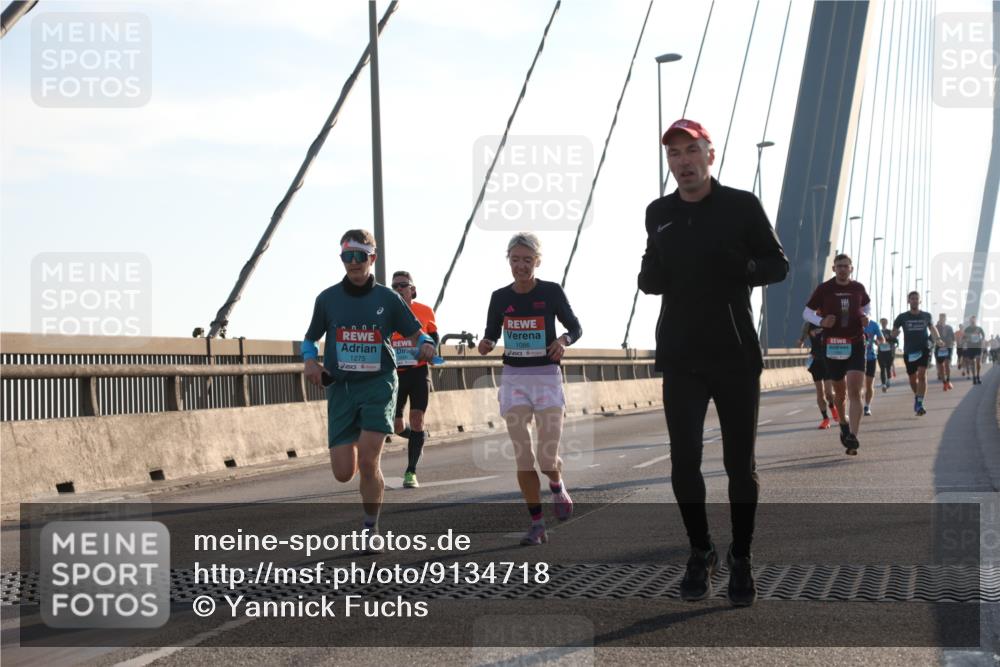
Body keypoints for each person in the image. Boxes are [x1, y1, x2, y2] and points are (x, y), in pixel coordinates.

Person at [638, 118, 788, 607]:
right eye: (674, 154)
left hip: (734, 354)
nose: (683, 161)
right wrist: (650, 275)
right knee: (684, 462)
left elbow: (778, 265)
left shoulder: (741, 206)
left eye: (691, 150)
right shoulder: (658, 212)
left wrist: (744, 267)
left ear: (710, 154)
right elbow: (651, 268)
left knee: (739, 466)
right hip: (681, 354)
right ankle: (701, 551)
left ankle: (741, 556)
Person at [302, 230, 436, 542]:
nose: (353, 262)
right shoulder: (327, 299)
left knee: (368, 459)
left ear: (372, 258)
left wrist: (426, 344)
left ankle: (370, 527)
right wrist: (310, 361)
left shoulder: (388, 298)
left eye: (360, 256)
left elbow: (417, 334)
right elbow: (309, 339)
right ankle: (355, 450)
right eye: (347, 256)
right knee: (342, 472)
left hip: (379, 385)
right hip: (341, 388)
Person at [478, 232, 582, 547]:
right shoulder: (499, 297)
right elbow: (492, 331)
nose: (520, 266)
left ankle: (557, 484)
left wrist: (562, 341)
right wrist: (487, 342)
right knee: (524, 456)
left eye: (527, 260)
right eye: (515, 260)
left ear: (537, 262)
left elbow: (575, 327)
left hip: (546, 377)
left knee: (547, 460)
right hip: (514, 379)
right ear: (508, 261)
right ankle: (537, 524)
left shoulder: (551, 292)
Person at [803, 254, 871, 455]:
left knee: (855, 391)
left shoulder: (858, 288)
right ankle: (843, 424)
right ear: (833, 269)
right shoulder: (824, 289)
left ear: (851, 268)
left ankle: (853, 437)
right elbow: (806, 312)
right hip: (832, 346)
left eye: (846, 266)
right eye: (839, 266)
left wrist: (866, 317)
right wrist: (821, 322)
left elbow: (866, 306)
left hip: (856, 343)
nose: (842, 269)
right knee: (840, 395)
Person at [389, 271, 439, 488]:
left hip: (418, 372)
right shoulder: (387, 313)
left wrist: (431, 349)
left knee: (417, 418)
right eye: (395, 286)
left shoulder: (425, 311)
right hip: (396, 375)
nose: (399, 289)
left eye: (403, 285)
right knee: (397, 426)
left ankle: (411, 471)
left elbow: (434, 336)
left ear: (412, 289)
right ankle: (419, 438)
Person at [891, 291, 942, 415]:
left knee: (922, 375)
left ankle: (919, 403)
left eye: (916, 298)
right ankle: (917, 396)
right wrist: (894, 334)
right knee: (913, 379)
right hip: (909, 351)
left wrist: (938, 339)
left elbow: (932, 328)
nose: (914, 300)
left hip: (924, 349)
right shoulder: (902, 317)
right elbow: (893, 332)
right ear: (908, 301)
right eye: (912, 298)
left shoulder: (926, 316)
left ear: (920, 301)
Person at [797, 321, 838, 429]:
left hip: (827, 360)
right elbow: (802, 338)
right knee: (820, 392)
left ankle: (833, 407)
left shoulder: (828, 320)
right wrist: (800, 342)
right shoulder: (808, 324)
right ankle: (825, 419)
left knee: (829, 393)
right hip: (816, 361)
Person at [862, 317, 885, 416]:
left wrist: (878, 342)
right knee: (857, 385)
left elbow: (882, 339)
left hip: (870, 357)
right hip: (856, 359)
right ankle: (857, 404)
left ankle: (867, 406)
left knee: (869, 385)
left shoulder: (874, 325)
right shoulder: (853, 322)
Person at [962, 316, 987, 384]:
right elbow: (963, 338)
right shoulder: (967, 329)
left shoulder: (979, 328)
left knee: (978, 362)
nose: (973, 322)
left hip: (978, 347)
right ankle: (974, 377)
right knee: (972, 363)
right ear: (970, 321)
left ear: (976, 321)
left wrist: (982, 340)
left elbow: (983, 335)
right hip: (970, 347)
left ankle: (978, 376)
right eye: (971, 320)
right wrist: (966, 340)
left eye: (974, 320)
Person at [934, 313, 955, 391]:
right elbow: (932, 336)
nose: (942, 319)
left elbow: (953, 337)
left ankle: (948, 381)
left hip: (948, 347)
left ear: (946, 319)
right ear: (939, 318)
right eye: (941, 318)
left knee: (947, 364)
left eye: (943, 318)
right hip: (939, 348)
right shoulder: (936, 327)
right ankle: (944, 383)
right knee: (941, 366)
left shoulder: (949, 327)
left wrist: (953, 343)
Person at [877, 317, 897, 391]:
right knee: (882, 368)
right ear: (880, 323)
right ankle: (883, 384)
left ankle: (888, 381)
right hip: (881, 352)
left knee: (888, 368)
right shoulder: (878, 331)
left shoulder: (890, 331)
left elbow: (895, 341)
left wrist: (892, 344)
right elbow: (876, 341)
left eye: (884, 322)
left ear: (887, 323)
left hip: (889, 352)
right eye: (882, 322)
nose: (883, 324)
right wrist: (877, 343)